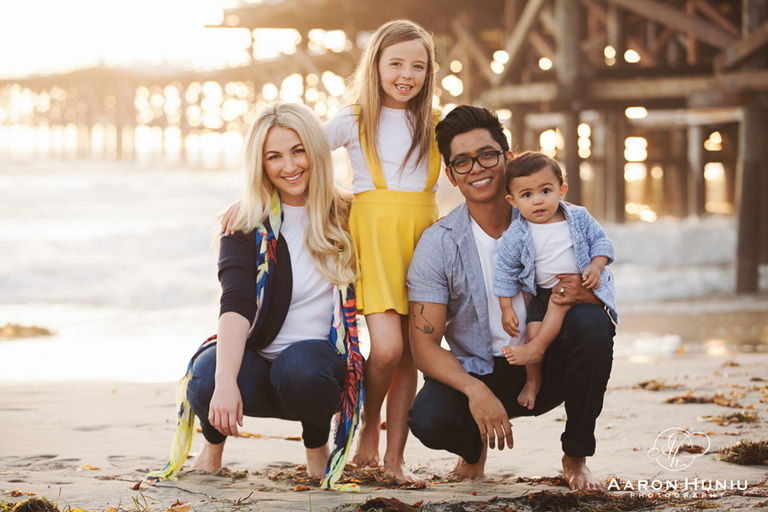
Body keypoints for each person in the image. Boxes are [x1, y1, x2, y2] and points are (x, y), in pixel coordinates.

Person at [221, 19, 440, 484]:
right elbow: (296, 156)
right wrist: (252, 198)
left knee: (410, 358)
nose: (407, 74)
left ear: (430, 71)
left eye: (418, 66)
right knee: (386, 349)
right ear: (375, 66)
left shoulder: (435, 124)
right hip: (375, 242)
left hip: (425, 242)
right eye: (395, 63)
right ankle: (366, 430)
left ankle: (395, 459)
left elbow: (479, 166)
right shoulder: (354, 118)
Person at [146, 102, 364, 493]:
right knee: (207, 378)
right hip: (259, 363)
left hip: (315, 370)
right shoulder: (246, 224)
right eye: (274, 156)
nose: (289, 166)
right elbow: (236, 303)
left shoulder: (349, 216)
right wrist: (226, 382)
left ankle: (316, 445)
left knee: (301, 367)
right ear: (260, 164)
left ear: (315, 149)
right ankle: (213, 447)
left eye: (298, 150)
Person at [406, 105, 614, 490]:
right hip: (482, 369)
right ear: (451, 175)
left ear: (508, 158)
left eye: (487, 155)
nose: (478, 169)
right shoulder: (439, 244)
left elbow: (600, 288)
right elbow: (423, 347)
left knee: (593, 324)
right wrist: (474, 390)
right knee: (428, 419)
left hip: (551, 362)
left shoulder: (557, 218)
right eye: (463, 163)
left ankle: (576, 455)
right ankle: (472, 451)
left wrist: (587, 291)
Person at [493, 151, 618, 410]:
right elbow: (504, 271)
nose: (537, 201)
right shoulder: (517, 233)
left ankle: (537, 348)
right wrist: (506, 308)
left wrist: (596, 265)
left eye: (546, 191)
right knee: (533, 329)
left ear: (562, 190)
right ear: (512, 201)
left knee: (557, 304)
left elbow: (602, 242)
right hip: (542, 294)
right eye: (526, 195)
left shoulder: (579, 217)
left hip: (581, 288)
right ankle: (533, 380)